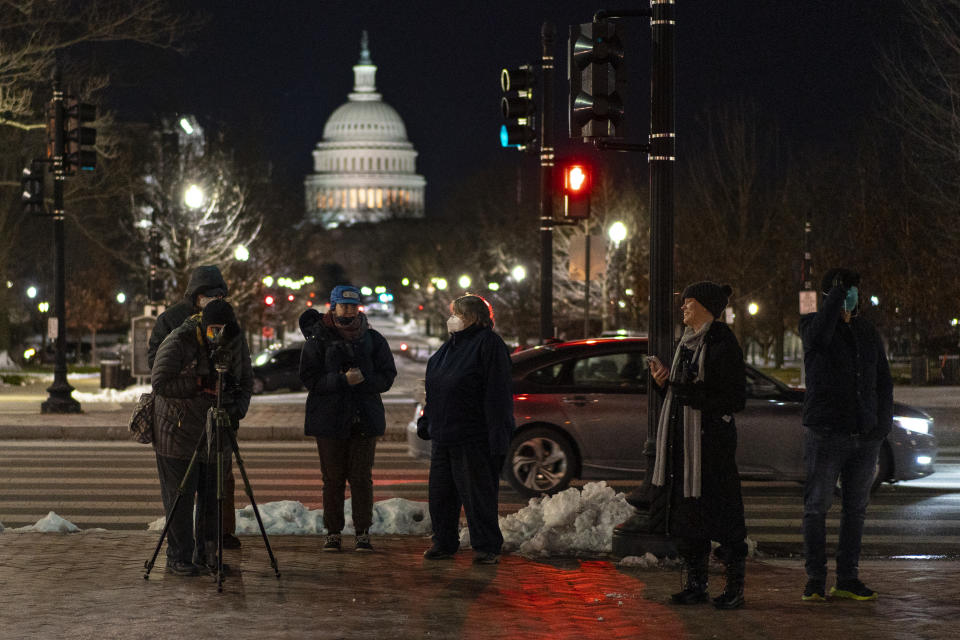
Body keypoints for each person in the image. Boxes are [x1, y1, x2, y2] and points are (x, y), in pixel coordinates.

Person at [648, 282, 748, 610]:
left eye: (687, 303)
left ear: (705, 306)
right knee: (691, 520)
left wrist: (688, 392)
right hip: (686, 451)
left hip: (711, 451)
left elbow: (733, 398)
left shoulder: (721, 342)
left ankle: (734, 587)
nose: (682, 309)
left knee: (724, 518)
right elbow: (681, 395)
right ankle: (696, 584)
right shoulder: (686, 343)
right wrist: (666, 383)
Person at [799, 268, 892, 602]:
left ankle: (847, 578)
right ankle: (815, 579)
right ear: (831, 294)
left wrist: (882, 425)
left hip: (864, 436)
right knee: (817, 508)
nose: (854, 296)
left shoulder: (866, 330)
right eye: (847, 290)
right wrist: (835, 296)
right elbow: (819, 337)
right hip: (826, 433)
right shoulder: (814, 325)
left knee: (855, 510)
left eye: (855, 290)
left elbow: (882, 381)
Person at [151, 300, 253, 576]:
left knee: (212, 497)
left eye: (222, 329)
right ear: (203, 323)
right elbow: (159, 383)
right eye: (212, 329)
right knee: (180, 499)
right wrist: (199, 383)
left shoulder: (234, 342)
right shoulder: (180, 339)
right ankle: (178, 556)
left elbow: (246, 381)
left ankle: (208, 554)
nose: (216, 334)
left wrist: (234, 410)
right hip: (177, 431)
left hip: (214, 431)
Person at [298, 285, 397, 553]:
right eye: (343, 305)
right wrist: (341, 381)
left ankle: (362, 532)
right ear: (333, 307)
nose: (348, 310)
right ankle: (333, 532)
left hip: (363, 419)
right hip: (329, 420)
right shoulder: (318, 339)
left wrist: (365, 380)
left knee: (361, 478)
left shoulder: (373, 339)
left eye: (353, 306)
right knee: (332, 479)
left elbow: (387, 375)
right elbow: (309, 378)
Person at [418, 295, 514, 565]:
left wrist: (498, 435)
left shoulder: (488, 345)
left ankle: (486, 546)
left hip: (473, 436)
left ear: (473, 317)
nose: (452, 318)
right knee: (441, 495)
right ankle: (444, 541)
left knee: (477, 495)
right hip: (444, 435)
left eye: (456, 314)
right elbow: (436, 390)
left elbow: (497, 394)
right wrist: (428, 420)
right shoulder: (450, 348)